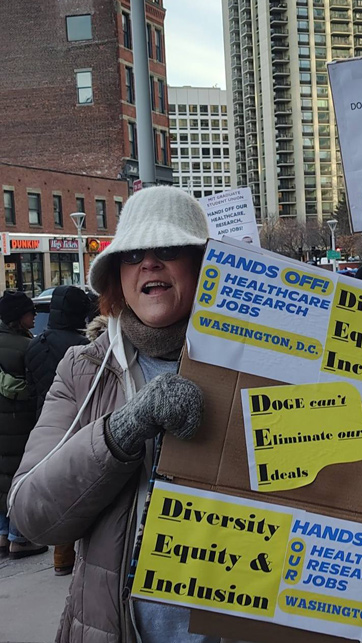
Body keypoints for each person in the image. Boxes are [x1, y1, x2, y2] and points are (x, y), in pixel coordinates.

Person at [9, 186, 221, 643]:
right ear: (116, 278)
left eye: (168, 249)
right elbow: (32, 515)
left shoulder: (260, 364)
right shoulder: (84, 370)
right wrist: (123, 430)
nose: (149, 263)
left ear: (203, 265)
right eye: (132, 254)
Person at [24, 285, 92, 575]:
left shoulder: (35, 344)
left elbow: (31, 387)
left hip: (46, 421)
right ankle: (71, 555)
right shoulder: (83, 347)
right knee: (78, 490)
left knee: (56, 490)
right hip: (77, 424)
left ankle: (61, 557)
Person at [0, 291, 45, 560]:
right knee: (20, 477)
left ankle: (3, 534)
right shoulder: (28, 347)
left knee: (2, 478)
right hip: (20, 423)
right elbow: (35, 388)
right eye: (31, 312)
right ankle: (20, 538)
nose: (35, 315)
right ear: (19, 317)